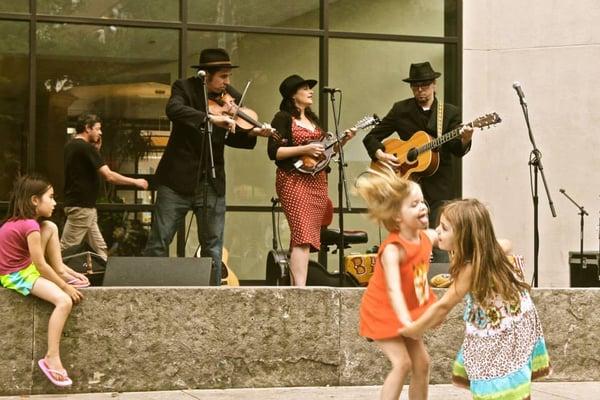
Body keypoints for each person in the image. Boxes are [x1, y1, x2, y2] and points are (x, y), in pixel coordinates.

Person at [143, 48, 271, 285]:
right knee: (160, 239)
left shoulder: (229, 95)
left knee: (213, 245)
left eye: (228, 76)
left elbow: (235, 137)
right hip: (176, 181)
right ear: (206, 75)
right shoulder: (184, 88)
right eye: (223, 76)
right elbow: (174, 110)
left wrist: (254, 132)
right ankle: (152, 292)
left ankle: (212, 294)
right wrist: (210, 117)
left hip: (210, 181)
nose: (227, 82)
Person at [400, 199, 551, 399]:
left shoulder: (471, 267)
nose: (437, 231)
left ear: (464, 236)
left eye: (444, 228)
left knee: (498, 383)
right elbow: (506, 243)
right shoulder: (484, 253)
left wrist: (413, 330)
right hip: (512, 323)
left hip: (505, 329)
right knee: (507, 380)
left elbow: (444, 306)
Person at [363, 61, 473, 262]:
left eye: (425, 85)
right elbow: (371, 138)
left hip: (440, 184)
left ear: (434, 85)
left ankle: (439, 279)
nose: (420, 90)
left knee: (441, 231)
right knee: (408, 232)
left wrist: (465, 138)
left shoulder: (449, 112)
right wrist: (381, 155)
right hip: (407, 182)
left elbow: (457, 149)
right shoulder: (400, 109)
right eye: (416, 86)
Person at [353, 167, 436, 400]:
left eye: (422, 202)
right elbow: (393, 289)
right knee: (402, 363)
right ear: (397, 217)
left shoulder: (427, 237)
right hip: (383, 311)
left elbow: (449, 236)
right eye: (414, 204)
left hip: (408, 311)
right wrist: (405, 320)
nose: (422, 207)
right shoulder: (393, 250)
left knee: (422, 363)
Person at [268, 74, 355, 286]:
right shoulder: (282, 118)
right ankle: (300, 291)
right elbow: (274, 152)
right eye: (305, 88)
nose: (311, 91)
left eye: (310, 88)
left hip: (317, 182)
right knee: (303, 234)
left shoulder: (314, 121)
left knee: (304, 236)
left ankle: (294, 287)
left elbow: (325, 154)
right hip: (293, 180)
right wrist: (305, 148)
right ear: (293, 95)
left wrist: (342, 142)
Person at [0, 175, 86, 387]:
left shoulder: (25, 223)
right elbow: (39, 265)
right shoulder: (30, 226)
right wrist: (64, 287)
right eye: (51, 197)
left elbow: (42, 263)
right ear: (34, 200)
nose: (55, 202)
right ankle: (52, 357)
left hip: (25, 267)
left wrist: (70, 273)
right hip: (16, 275)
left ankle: (62, 272)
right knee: (64, 301)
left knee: (52, 226)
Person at [61, 113, 148, 261]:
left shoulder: (72, 145)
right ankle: (48, 275)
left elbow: (84, 172)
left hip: (84, 206)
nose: (100, 132)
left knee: (100, 248)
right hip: (82, 208)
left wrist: (97, 151)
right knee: (65, 248)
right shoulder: (84, 147)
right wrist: (135, 182)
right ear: (87, 129)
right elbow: (109, 176)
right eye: (97, 129)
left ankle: (106, 277)